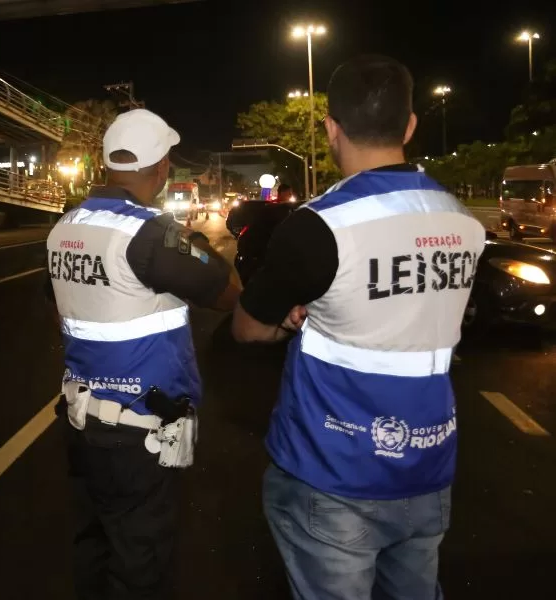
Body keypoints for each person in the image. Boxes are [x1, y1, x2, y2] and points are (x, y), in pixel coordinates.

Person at [231, 55, 485, 599]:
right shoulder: (462, 220)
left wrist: (291, 324)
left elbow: (248, 329)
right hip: (427, 468)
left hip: (333, 474)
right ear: (411, 125)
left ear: (330, 128)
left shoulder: (320, 226)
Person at [45, 108, 240, 599]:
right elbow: (228, 289)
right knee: (140, 563)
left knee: (92, 545)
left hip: (80, 422)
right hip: (136, 435)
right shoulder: (152, 234)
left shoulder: (66, 227)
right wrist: (191, 241)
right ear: (162, 167)